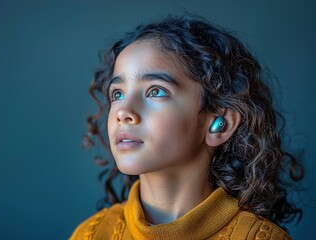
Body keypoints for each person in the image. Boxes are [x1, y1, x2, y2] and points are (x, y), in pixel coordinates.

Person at [70, 15, 304, 240]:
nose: (123, 112)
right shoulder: (91, 233)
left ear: (218, 125)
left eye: (156, 91)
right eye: (117, 94)